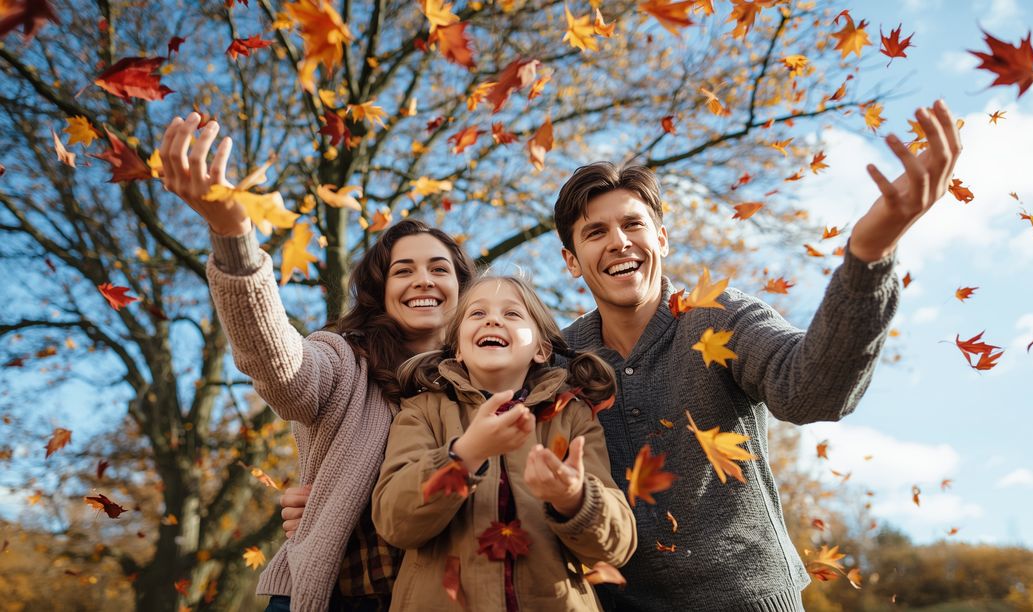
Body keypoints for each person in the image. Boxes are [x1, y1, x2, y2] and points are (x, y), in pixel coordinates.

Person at [282, 100, 962, 611]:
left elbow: (813, 392)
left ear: (661, 236)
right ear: (572, 261)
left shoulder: (717, 318)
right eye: (595, 232)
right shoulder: (558, 361)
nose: (619, 243)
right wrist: (334, 496)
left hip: (740, 596)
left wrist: (868, 260)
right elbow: (457, 425)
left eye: (634, 224)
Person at [158, 113, 476, 612]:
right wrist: (233, 237)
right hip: (337, 596)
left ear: (461, 288)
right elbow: (279, 364)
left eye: (440, 269)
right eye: (403, 270)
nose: (423, 280)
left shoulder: (485, 377)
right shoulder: (345, 360)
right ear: (380, 290)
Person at [371, 276, 637, 611]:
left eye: (512, 314)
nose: (493, 320)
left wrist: (573, 499)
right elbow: (395, 522)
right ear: (457, 349)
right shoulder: (422, 413)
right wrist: (465, 454)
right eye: (477, 314)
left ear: (541, 349)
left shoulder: (572, 417)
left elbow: (617, 547)